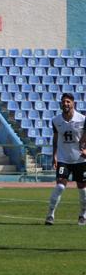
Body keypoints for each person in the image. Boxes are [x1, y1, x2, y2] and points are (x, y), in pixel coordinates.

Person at [45, 93, 86, 226]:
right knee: (60, 186)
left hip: (80, 159)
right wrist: (54, 155)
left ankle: (83, 215)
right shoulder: (56, 120)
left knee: (82, 188)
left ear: (73, 103)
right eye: (63, 102)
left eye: (68, 101)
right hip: (64, 159)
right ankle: (50, 215)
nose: (65, 104)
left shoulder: (82, 119)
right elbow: (56, 139)